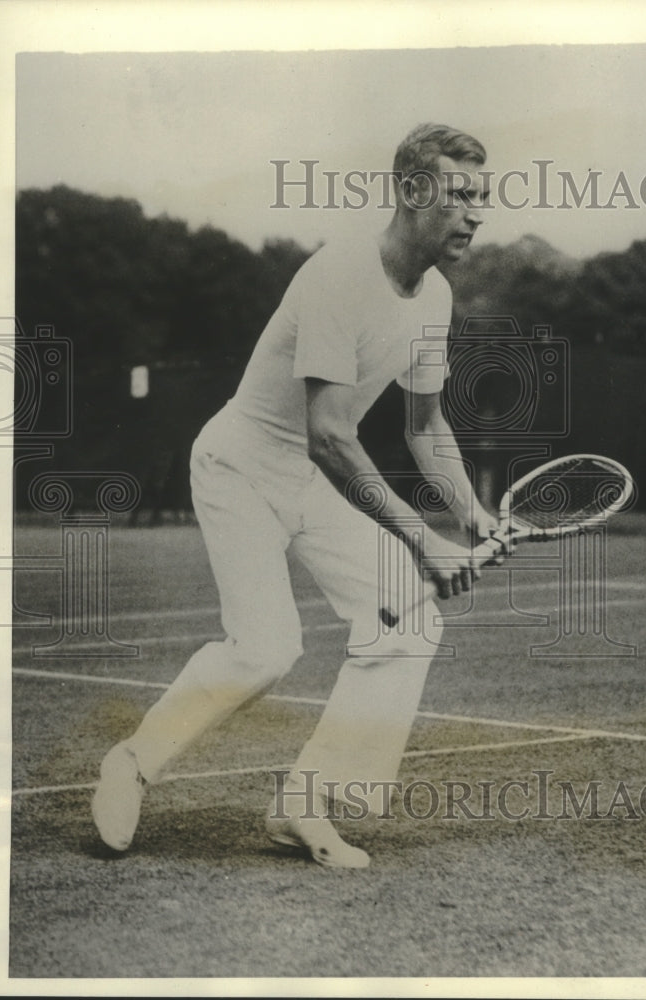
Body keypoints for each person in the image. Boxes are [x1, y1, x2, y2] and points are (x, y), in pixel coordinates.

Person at [92, 123, 504, 868]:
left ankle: (303, 804)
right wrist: (426, 538)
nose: (476, 212)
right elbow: (331, 435)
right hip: (239, 465)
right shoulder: (338, 277)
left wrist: (473, 513)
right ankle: (131, 763)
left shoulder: (434, 295)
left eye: (484, 196)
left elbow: (424, 423)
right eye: (459, 194)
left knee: (407, 619)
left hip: (306, 479)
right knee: (267, 648)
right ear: (412, 191)